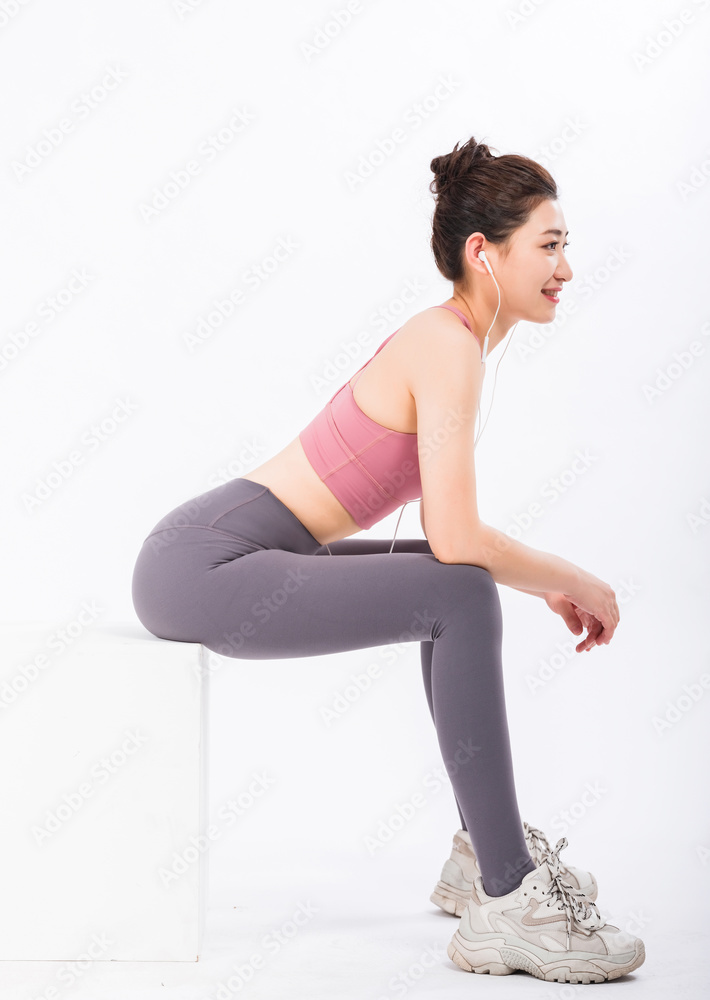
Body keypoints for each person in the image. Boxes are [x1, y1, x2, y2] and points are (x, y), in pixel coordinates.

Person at [131, 136, 645, 983]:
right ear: (485, 253)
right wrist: (572, 578)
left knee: (459, 590)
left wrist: (537, 575)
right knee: (465, 594)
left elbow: (452, 547)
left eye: (566, 245)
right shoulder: (445, 345)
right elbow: (458, 539)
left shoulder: (455, 342)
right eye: (549, 245)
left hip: (228, 548)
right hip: (203, 565)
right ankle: (507, 894)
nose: (567, 267)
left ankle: (486, 857)